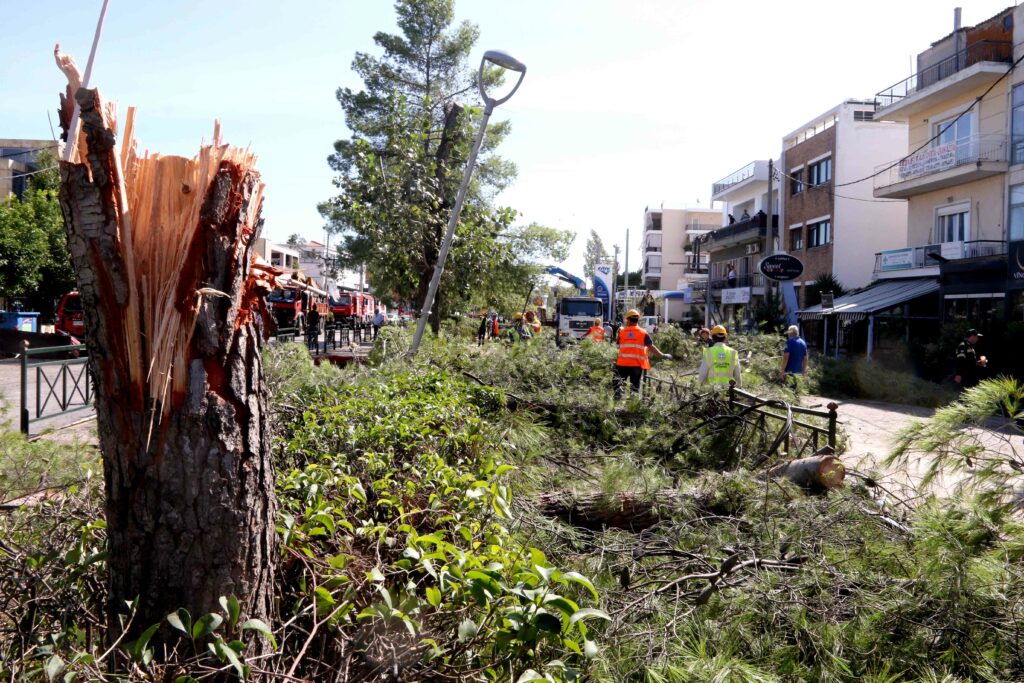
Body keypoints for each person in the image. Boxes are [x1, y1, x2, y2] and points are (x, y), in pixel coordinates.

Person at [614, 309, 672, 399]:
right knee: (634, 388)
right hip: (636, 365)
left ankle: (616, 403)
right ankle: (632, 407)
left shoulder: (622, 332)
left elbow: (617, 348)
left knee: (618, 385)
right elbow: (651, 347)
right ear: (637, 320)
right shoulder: (643, 333)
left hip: (622, 364)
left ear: (628, 320)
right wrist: (662, 355)